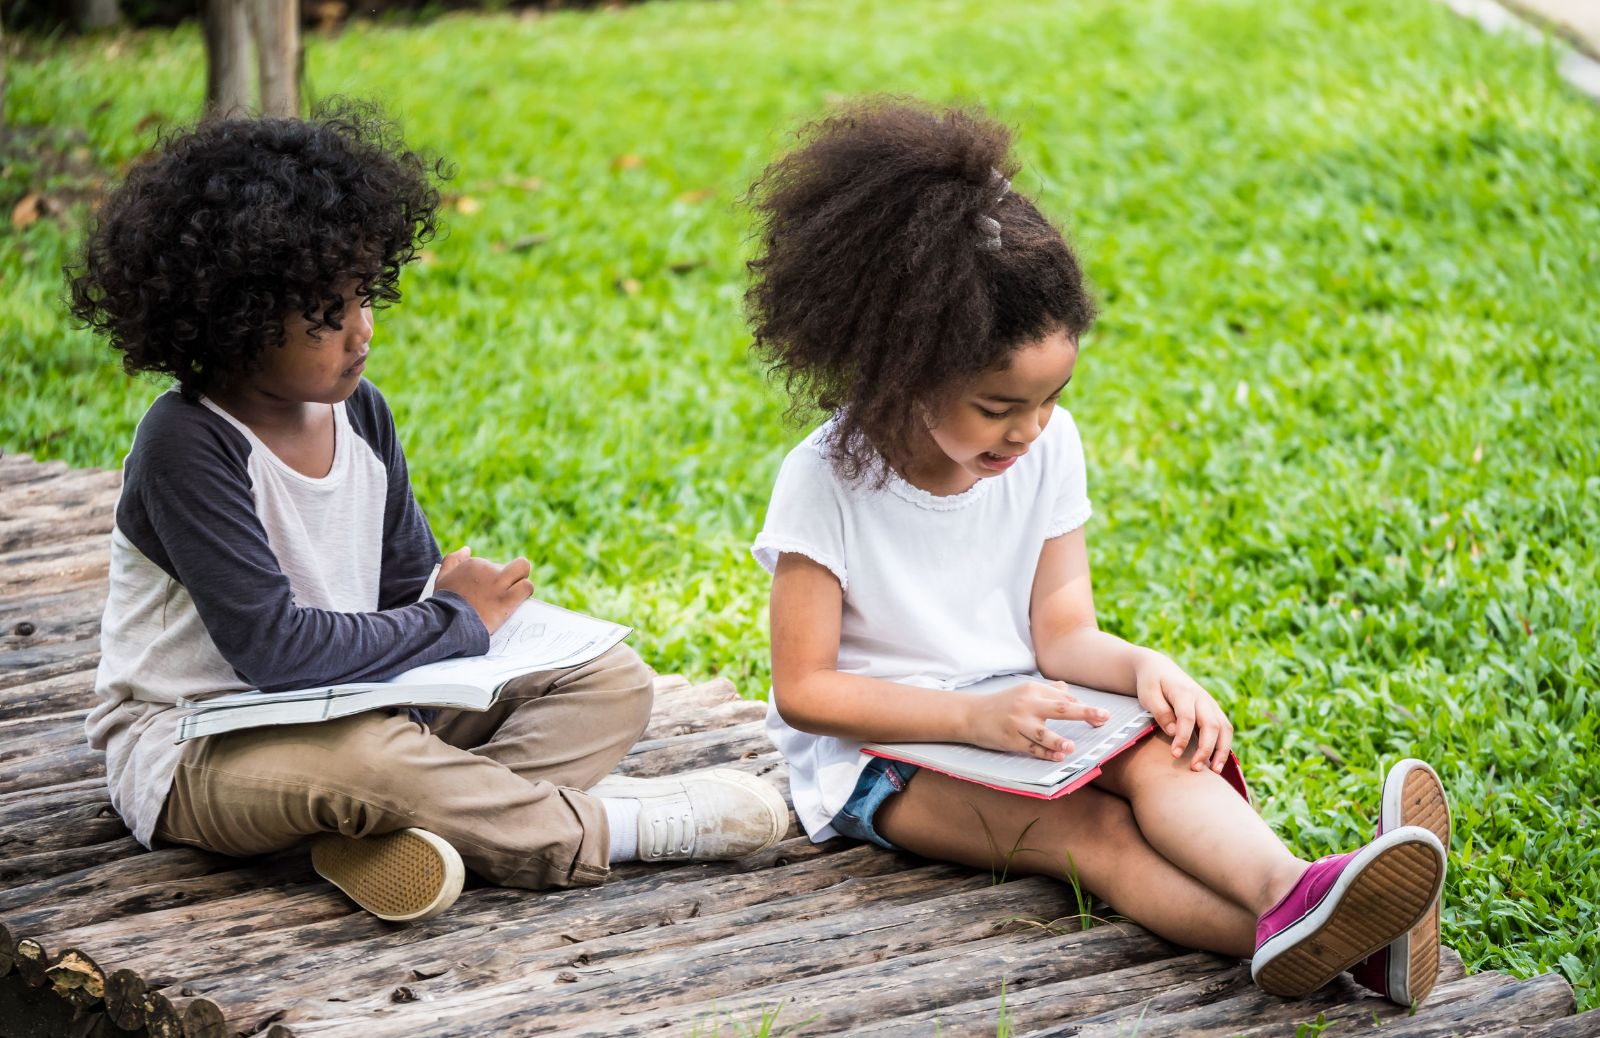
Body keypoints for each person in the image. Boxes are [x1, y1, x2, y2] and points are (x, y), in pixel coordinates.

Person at [744, 99, 1450, 1002]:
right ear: (904, 367)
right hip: (881, 759)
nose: (1031, 430)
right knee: (1095, 836)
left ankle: (1297, 891)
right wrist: (971, 719)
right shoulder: (825, 481)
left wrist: (1143, 667)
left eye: (1050, 399)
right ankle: (1344, 942)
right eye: (998, 408)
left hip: (1030, 708)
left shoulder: (1048, 446)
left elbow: (1064, 633)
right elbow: (806, 694)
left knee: (1161, 757)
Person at [69, 103, 787, 924]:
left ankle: (419, 830)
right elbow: (276, 652)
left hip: (348, 703)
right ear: (236, 315)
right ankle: (608, 825)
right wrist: (454, 619)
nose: (362, 331)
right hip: (198, 746)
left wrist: (452, 619)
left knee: (609, 680)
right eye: (328, 314)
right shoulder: (187, 442)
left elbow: (407, 590)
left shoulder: (360, 412)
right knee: (374, 763)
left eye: (365, 295)